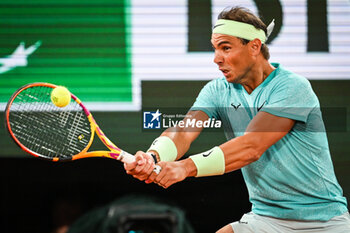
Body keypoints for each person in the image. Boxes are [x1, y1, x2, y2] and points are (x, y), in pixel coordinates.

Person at [124, 6, 350, 233]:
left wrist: (185, 167)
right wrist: (153, 156)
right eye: (215, 49)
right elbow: (184, 131)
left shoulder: (293, 87)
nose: (216, 59)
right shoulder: (217, 90)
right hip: (266, 218)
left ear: (254, 46)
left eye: (225, 48)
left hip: (323, 221)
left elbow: (252, 146)